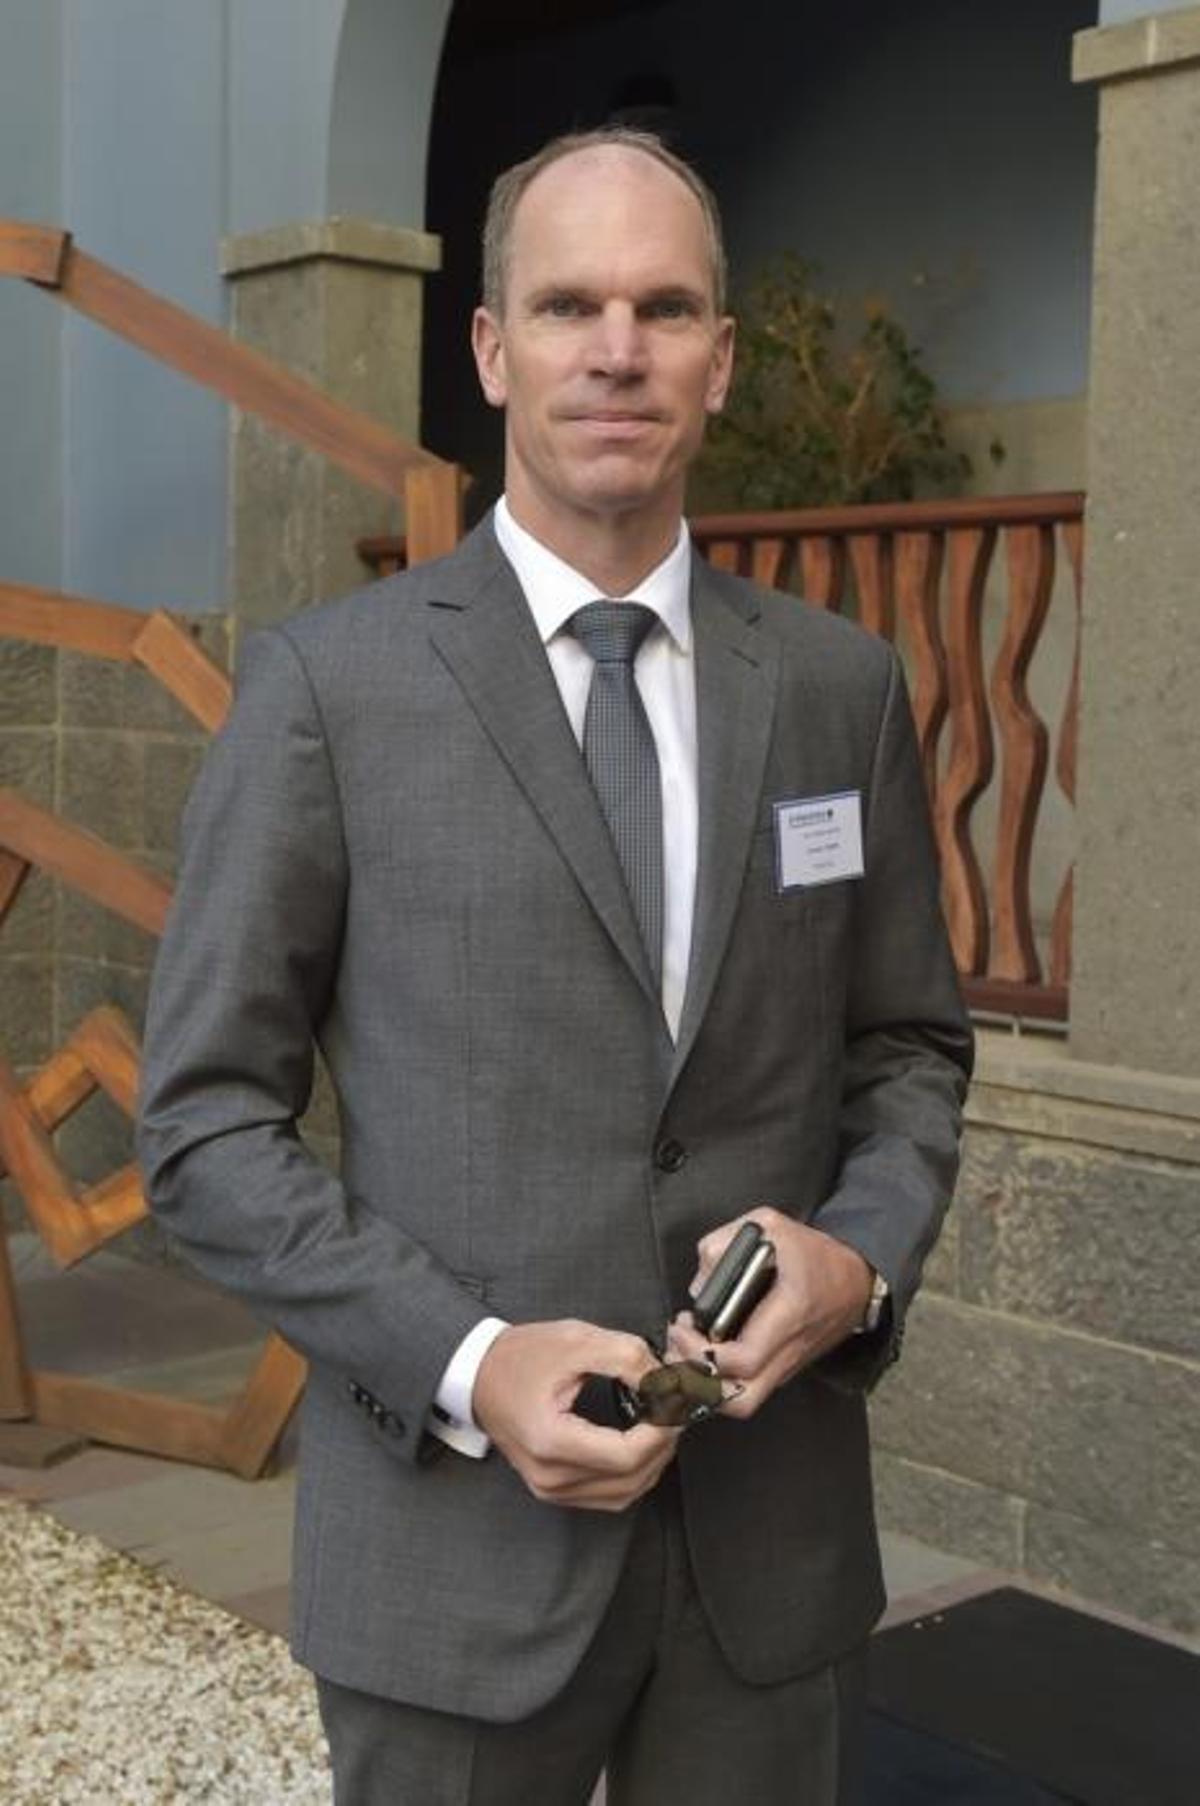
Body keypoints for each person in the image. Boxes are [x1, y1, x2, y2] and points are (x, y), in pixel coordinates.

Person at [138, 127, 972, 1805]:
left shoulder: (838, 690)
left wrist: (858, 1261)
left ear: (720, 358)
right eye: (568, 304)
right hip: (454, 1566)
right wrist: (470, 1359)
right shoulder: (330, 692)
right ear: (491, 348)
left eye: (664, 308)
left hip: (770, 1558)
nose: (616, 349)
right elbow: (206, 1126)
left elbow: (906, 1049)